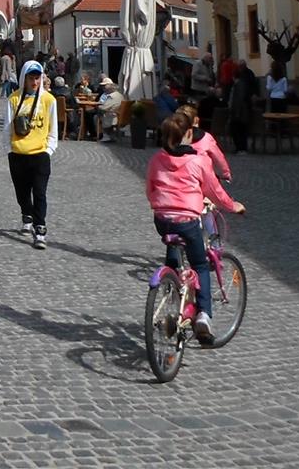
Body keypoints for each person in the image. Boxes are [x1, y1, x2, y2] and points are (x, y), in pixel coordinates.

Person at [146, 111, 245, 341]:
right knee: (200, 264)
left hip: (162, 219)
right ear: (189, 134)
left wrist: (159, 205)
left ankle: (171, 290)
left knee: (174, 253)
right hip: (187, 220)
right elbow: (215, 192)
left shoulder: (157, 159)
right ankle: (203, 317)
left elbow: (150, 189)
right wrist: (234, 206)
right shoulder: (197, 161)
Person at [2, 62, 58, 249]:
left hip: (40, 155)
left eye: (37, 77)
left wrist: (48, 149)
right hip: (18, 153)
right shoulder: (14, 99)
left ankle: (40, 229)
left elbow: (53, 129)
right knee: (22, 192)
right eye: (31, 78)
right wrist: (9, 149)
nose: (34, 81)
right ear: (24, 78)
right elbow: (7, 127)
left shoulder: (49, 100)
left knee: (40, 192)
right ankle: (26, 213)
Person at [228, 60, 259, 154]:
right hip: (242, 110)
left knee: (239, 129)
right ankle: (241, 148)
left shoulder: (239, 85)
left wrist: (236, 112)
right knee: (240, 129)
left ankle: (241, 148)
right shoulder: (240, 83)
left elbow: (238, 99)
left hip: (240, 112)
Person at [96, 76, 125, 143]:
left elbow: (103, 107)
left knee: (95, 116)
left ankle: (105, 135)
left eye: (104, 86)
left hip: (112, 116)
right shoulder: (119, 95)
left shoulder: (112, 96)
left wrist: (98, 106)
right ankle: (107, 135)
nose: (103, 88)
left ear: (110, 87)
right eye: (102, 86)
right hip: (117, 115)